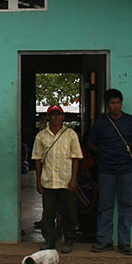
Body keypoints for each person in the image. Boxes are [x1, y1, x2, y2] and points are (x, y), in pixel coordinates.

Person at [87, 89, 132, 256]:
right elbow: (90, 143)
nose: (116, 106)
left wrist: (130, 152)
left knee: (126, 206)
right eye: (112, 103)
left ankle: (124, 243)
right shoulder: (100, 123)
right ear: (107, 105)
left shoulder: (131, 121)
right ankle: (104, 240)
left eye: (118, 102)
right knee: (105, 206)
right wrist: (102, 154)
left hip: (126, 170)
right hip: (105, 170)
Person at [31, 104, 84, 253]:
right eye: (53, 115)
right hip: (48, 181)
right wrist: (38, 181)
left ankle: (69, 240)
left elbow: (76, 158)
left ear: (63, 116)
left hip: (66, 181)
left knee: (69, 212)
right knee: (48, 213)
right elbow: (37, 159)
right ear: (48, 117)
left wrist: (73, 179)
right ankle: (49, 240)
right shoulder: (41, 136)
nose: (56, 117)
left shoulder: (71, 134)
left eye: (59, 114)